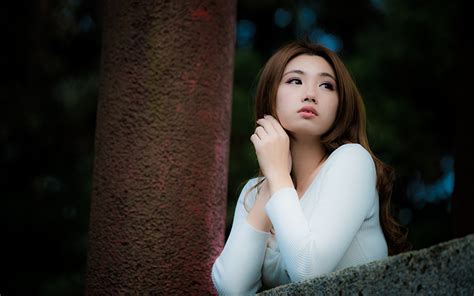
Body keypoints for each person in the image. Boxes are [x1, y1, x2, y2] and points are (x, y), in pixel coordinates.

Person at [211, 40, 410, 295]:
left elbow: (309, 271)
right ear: (271, 97)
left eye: (326, 85)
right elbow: (231, 288)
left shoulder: (352, 161)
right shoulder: (254, 192)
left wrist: (279, 175)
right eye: (295, 81)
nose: (310, 94)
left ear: (340, 105)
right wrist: (271, 181)